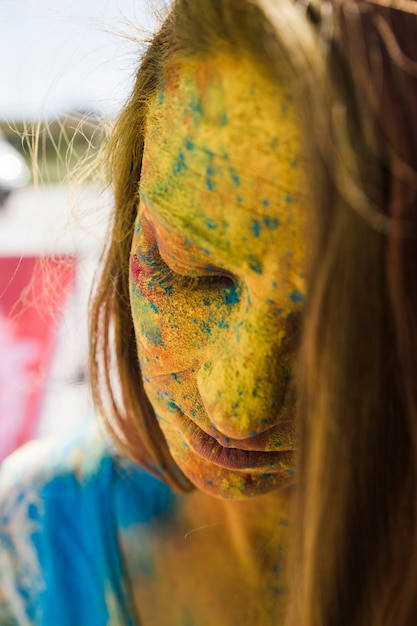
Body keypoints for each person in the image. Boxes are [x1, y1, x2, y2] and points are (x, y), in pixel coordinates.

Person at [1, 1, 417, 625]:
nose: (238, 408)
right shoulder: (30, 538)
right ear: (129, 217)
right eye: (190, 269)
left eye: (338, 328)